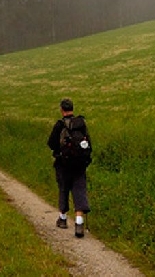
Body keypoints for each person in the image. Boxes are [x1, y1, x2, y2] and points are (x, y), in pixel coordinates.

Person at [47, 98, 91, 238]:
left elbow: (51, 143)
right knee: (79, 190)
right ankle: (79, 223)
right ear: (72, 108)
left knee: (64, 189)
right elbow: (89, 144)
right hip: (79, 164)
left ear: (62, 109)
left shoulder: (60, 125)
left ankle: (63, 219)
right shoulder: (81, 124)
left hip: (63, 164)